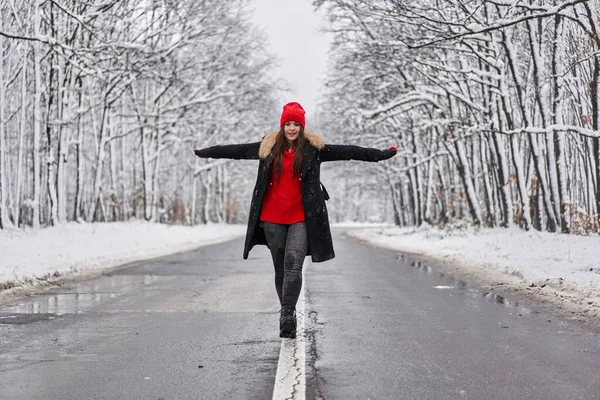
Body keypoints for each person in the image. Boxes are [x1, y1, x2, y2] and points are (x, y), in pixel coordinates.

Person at [194, 102, 398, 338]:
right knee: (280, 269)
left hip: (302, 217)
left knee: (294, 263)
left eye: (296, 124)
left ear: (302, 127)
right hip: (271, 218)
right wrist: (207, 151)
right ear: (282, 126)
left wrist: (382, 154)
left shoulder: (314, 149)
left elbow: (351, 152)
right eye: (288, 124)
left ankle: (287, 314)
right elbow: (235, 151)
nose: (291, 128)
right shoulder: (267, 148)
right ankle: (287, 314)